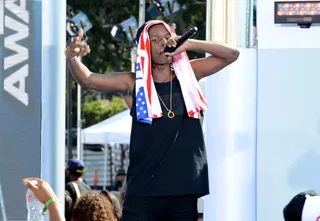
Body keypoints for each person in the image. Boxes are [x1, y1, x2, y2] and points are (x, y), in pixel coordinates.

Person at [65, 20, 239, 221]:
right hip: (144, 192)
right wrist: (72, 57)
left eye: (167, 37)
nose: (163, 42)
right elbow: (88, 79)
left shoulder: (188, 73)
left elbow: (231, 54)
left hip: (183, 190)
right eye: (155, 40)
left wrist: (189, 44)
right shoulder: (133, 82)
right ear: (145, 47)